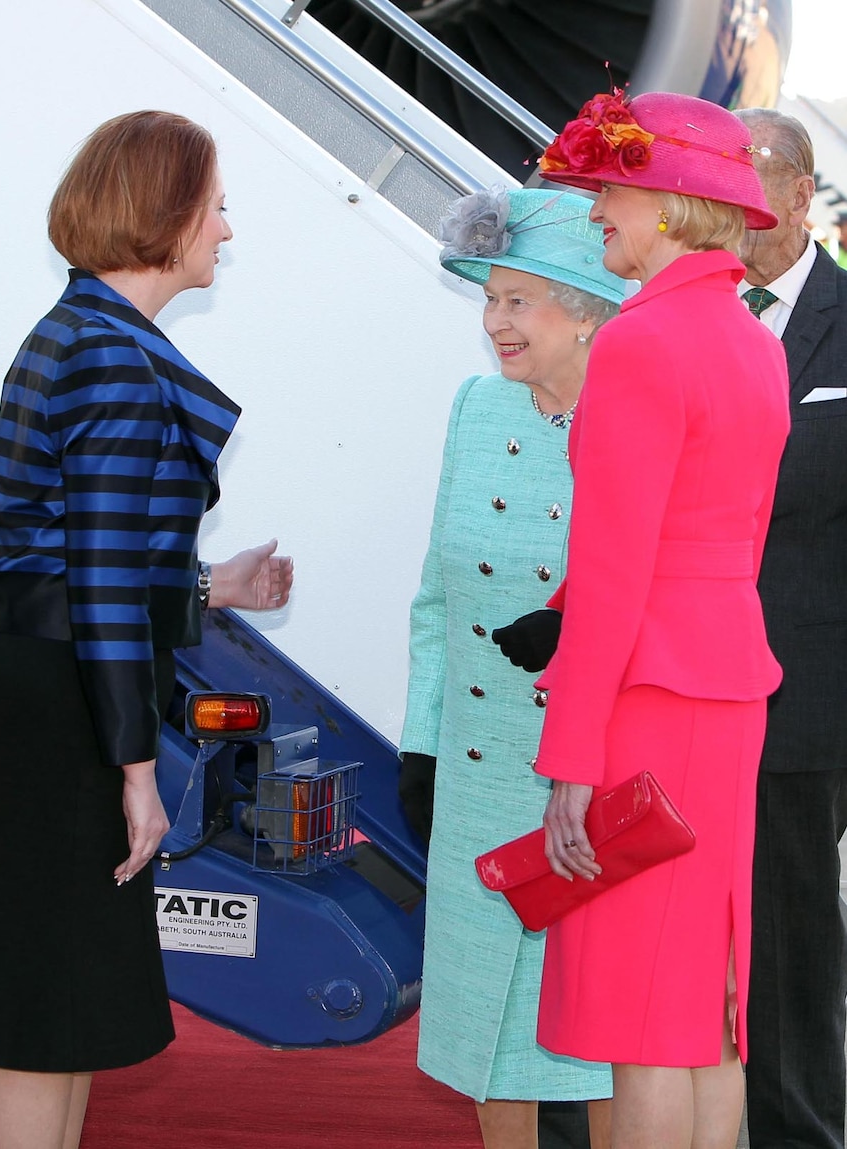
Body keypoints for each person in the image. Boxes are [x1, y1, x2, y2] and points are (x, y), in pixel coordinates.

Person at [0, 110, 293, 1149]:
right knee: (40, 1005)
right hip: (59, 712)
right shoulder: (111, 357)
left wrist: (207, 591)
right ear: (163, 216)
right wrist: (135, 771)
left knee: (57, 1002)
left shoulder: (85, 335)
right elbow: (98, 585)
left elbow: (76, 558)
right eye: (215, 208)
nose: (226, 232)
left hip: (44, 688)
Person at [495, 89, 791, 1149]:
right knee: (702, 1008)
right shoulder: (753, 341)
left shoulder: (640, 343)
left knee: (641, 1023)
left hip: (646, 702)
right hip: (724, 691)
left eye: (611, 191)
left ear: (669, 203)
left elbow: (613, 572)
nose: (596, 214)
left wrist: (569, 756)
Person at [398, 187, 624, 1149]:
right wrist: (422, 742)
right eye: (491, 297)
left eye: (519, 300)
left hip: (587, 780)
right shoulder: (477, 406)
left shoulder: (636, 415)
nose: (495, 321)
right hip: (480, 770)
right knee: (482, 1030)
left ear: (584, 310)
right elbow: (437, 602)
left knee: (608, 1039)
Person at [733, 106, 847, 1149]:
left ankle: (796, 1132)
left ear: (800, 192)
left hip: (806, 697)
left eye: (747, 172)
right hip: (682, 683)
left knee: (790, 944)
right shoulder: (679, 314)